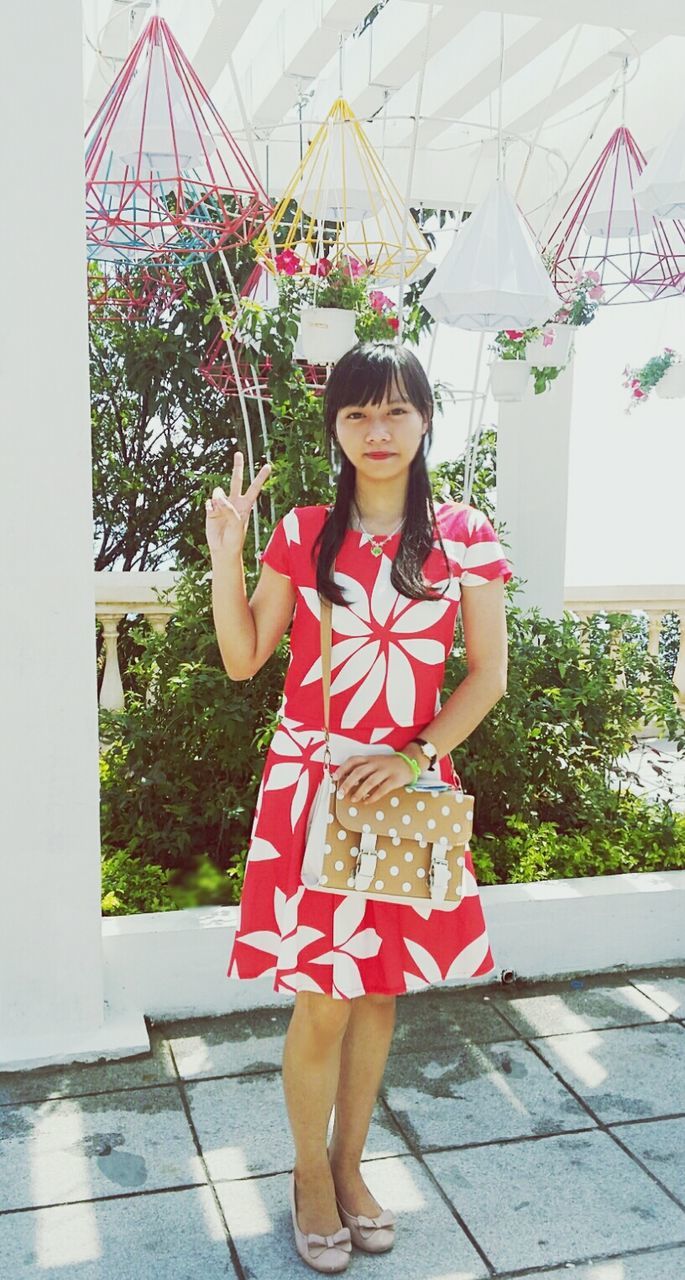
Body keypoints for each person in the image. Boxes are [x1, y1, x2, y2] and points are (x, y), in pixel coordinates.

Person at [206, 340, 512, 1273]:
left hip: (406, 787)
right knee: (323, 1001)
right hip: (313, 787)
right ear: (334, 428)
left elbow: (487, 676)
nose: (376, 432)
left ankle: (349, 1167)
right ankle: (306, 1177)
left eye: (394, 412)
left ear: (424, 419)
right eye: (355, 415)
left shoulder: (465, 535)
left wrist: (414, 753)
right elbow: (243, 658)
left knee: (377, 993)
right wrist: (227, 554)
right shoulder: (304, 531)